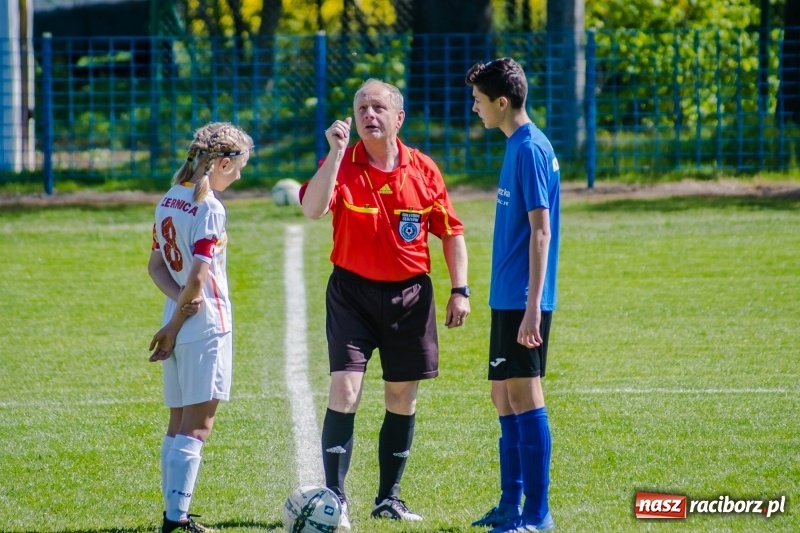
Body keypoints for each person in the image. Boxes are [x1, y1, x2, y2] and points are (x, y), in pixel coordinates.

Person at [300, 78, 471, 528]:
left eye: (378, 107)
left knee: (401, 395)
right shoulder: (341, 163)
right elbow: (313, 210)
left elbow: (451, 232)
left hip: (410, 297)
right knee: (346, 388)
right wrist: (335, 154)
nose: (368, 115)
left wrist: (460, 289)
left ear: (399, 118)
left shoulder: (423, 169)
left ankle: (387, 497)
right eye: (361, 108)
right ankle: (334, 497)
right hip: (350, 293)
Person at [465, 58, 560, 533]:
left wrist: (533, 309)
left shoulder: (530, 149)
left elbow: (541, 233)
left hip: (524, 301)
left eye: (479, 101)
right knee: (503, 396)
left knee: (525, 394)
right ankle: (509, 506)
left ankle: (537, 515)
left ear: (502, 102)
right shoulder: (515, 144)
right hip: (507, 297)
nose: (475, 109)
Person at [148, 122, 253, 533]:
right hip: (204, 325)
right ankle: (178, 519)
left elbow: (156, 266)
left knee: (176, 425)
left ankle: (171, 514)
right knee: (197, 426)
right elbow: (196, 280)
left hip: (177, 320)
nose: (239, 176)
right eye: (238, 167)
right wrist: (178, 322)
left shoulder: (169, 199)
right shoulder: (209, 207)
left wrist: (173, 318)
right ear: (222, 163)